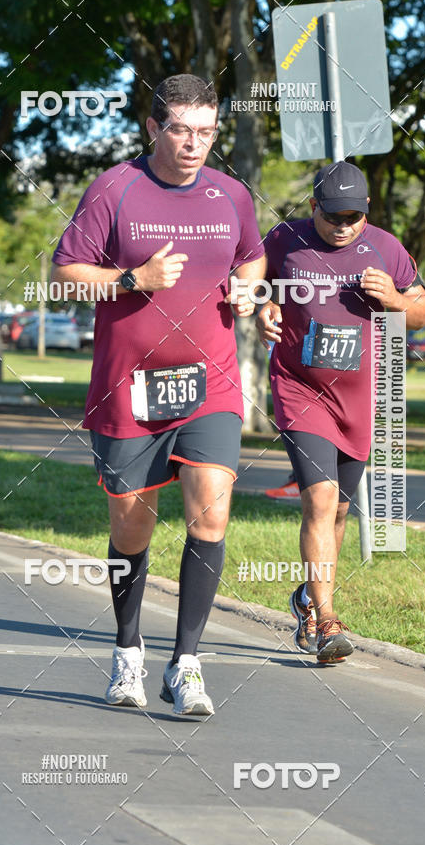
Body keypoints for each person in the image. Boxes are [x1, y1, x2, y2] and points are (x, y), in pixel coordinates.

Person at [51, 74, 266, 713]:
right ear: (153, 128)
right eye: (181, 130)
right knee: (131, 526)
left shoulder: (231, 194)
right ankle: (127, 653)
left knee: (212, 510)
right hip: (128, 388)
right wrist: (132, 278)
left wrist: (250, 289)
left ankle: (188, 664)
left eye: (207, 131)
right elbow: (64, 276)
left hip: (211, 382)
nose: (195, 144)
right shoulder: (114, 189)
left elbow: (252, 258)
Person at [256, 161, 425, 664]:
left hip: (358, 399)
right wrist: (265, 306)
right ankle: (327, 618)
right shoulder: (285, 239)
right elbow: (249, 282)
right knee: (320, 496)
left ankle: (307, 597)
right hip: (300, 388)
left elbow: (421, 308)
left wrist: (394, 299)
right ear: (314, 207)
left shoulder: (385, 246)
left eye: (353, 216)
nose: (343, 225)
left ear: (367, 210)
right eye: (333, 216)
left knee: (338, 510)